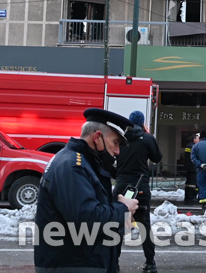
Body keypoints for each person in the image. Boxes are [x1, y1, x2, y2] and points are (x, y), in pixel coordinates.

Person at [34, 108, 138, 273]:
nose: (118, 151)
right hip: (73, 265)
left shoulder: (83, 163)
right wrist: (123, 208)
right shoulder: (73, 166)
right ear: (97, 137)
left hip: (80, 262)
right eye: (115, 142)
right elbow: (87, 219)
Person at [113, 111, 162, 273]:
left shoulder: (120, 138)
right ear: (142, 123)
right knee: (143, 225)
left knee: (117, 224)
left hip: (121, 186)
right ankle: (150, 263)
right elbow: (157, 158)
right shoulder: (146, 138)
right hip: (140, 186)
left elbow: (109, 161)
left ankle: (114, 263)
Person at [182, 134, 199, 204]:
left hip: (190, 168)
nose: (199, 140)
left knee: (189, 183)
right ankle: (191, 197)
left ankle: (189, 197)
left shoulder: (189, 145)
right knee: (192, 183)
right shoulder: (192, 146)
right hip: (192, 168)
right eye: (198, 139)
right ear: (194, 139)